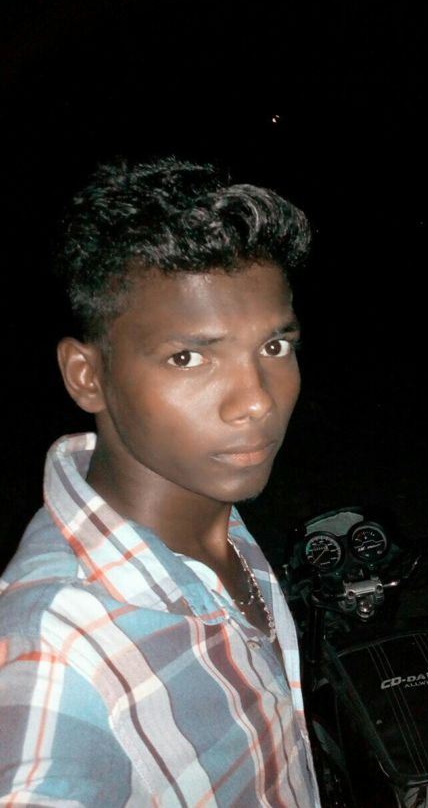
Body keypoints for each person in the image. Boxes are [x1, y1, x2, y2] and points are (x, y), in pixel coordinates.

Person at [0, 156, 321, 807]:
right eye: (189, 357)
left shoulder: (206, 512)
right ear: (87, 376)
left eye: (274, 347)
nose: (256, 399)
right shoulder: (53, 659)